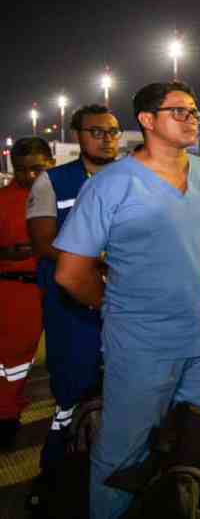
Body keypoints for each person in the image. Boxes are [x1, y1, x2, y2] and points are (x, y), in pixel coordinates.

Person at [53, 81, 200, 517]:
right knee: (122, 455)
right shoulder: (112, 186)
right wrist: (119, 309)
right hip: (142, 348)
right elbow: (71, 273)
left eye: (195, 112)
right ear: (148, 121)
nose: (192, 120)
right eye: (179, 112)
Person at [27, 104, 120, 475]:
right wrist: (94, 261)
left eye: (112, 131)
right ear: (77, 136)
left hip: (126, 301)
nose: (106, 139)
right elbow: (43, 243)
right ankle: (59, 473)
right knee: (73, 390)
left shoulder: (135, 176)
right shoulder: (52, 182)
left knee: (125, 389)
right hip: (72, 305)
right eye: (96, 131)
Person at [0, 137, 53, 448]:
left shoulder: (69, 196)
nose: (30, 177)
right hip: (17, 289)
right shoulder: (3, 200)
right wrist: (8, 252)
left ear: (51, 164)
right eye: (21, 171)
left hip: (62, 288)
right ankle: (6, 414)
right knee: (12, 358)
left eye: (37, 169)